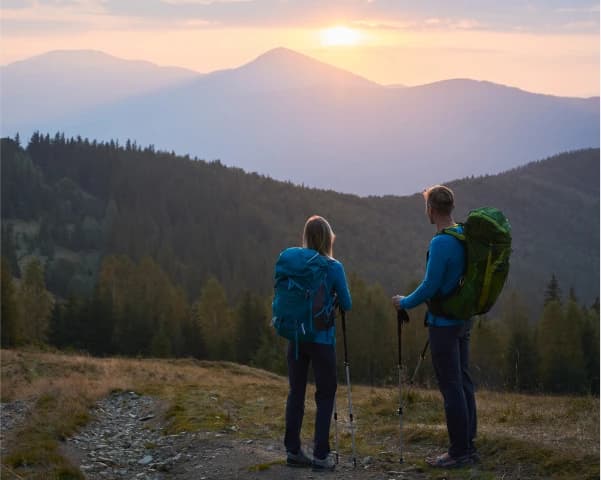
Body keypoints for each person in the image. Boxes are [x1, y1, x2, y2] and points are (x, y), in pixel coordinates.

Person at [391, 185, 477, 468]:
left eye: (426, 207)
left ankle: (457, 452)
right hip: (463, 319)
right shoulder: (463, 234)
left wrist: (405, 302)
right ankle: (468, 444)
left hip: (444, 323)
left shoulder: (441, 242)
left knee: (451, 385)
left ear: (432, 209)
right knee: (463, 382)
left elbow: (430, 286)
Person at [282, 215, 352, 471]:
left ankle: (293, 450)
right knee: (325, 394)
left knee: (296, 392)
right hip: (322, 339)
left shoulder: (294, 263)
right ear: (328, 238)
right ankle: (321, 456)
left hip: (296, 337)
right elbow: (347, 304)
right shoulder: (333, 267)